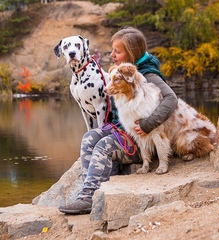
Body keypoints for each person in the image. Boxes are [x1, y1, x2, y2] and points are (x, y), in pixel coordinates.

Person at [59, 26, 178, 214]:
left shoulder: (148, 75)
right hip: (121, 129)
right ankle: (90, 190)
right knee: (89, 138)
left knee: (104, 146)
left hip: (141, 140)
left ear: (130, 53)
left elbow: (171, 99)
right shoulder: (119, 73)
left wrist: (148, 124)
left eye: (117, 51)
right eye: (112, 49)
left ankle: (89, 198)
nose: (112, 54)